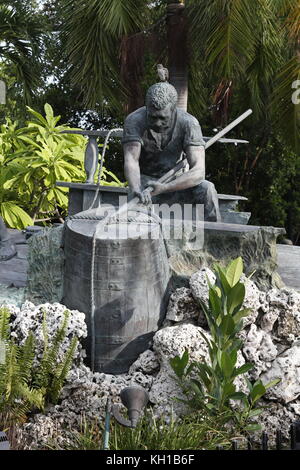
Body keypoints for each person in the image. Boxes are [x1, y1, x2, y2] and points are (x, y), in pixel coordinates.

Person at [122, 81, 221, 222]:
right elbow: (131, 160)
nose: (157, 123)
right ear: (147, 108)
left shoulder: (189, 123)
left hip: (177, 183)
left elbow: (199, 172)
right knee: (134, 196)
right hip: (146, 183)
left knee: (207, 189)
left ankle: (216, 235)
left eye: (163, 118)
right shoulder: (134, 120)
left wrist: (165, 187)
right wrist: (136, 187)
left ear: (174, 109)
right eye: (153, 117)